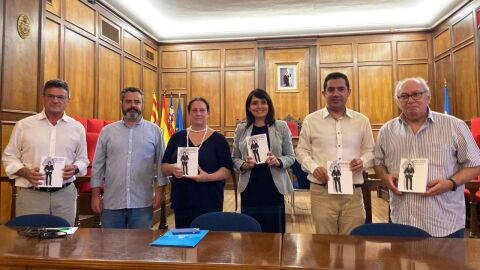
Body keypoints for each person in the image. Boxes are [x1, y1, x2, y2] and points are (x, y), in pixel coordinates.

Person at [374, 77, 480, 238]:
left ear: (428, 97)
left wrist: (451, 183)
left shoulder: (454, 125)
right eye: (404, 96)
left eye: (416, 94)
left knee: (447, 264)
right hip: (402, 220)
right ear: (397, 101)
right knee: (403, 263)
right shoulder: (387, 130)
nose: (410, 100)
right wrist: (385, 176)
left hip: (443, 222)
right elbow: (378, 162)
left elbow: (475, 164)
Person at [296, 72, 375, 235]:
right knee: (325, 244)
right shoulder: (311, 120)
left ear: (348, 92)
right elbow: (301, 151)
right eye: (331, 90)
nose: (336, 94)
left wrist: (363, 162)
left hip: (352, 193)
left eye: (341, 89)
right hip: (322, 192)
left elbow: (371, 151)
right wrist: (313, 167)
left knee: (352, 245)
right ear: (324, 93)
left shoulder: (362, 121)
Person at [2, 79, 89, 226]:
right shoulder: (24, 125)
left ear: (68, 100)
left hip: (65, 195)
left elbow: (83, 159)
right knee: (29, 243)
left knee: (63, 242)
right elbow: (9, 157)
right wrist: (26, 173)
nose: (55, 100)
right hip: (32, 195)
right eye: (50, 96)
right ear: (43, 98)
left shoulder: (77, 128)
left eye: (60, 97)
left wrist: (75, 168)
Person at [90, 87, 168, 229]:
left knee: (139, 249)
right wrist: (95, 195)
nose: (133, 105)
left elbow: (162, 164)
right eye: (128, 101)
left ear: (142, 104)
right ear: (122, 103)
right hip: (112, 202)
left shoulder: (155, 131)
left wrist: (160, 192)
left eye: (137, 102)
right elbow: (98, 165)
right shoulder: (107, 131)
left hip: (142, 203)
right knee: (111, 248)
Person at [161, 97, 233, 228]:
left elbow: (226, 170)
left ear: (208, 113)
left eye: (202, 110)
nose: (198, 113)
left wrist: (207, 177)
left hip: (210, 200)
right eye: (194, 110)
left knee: (209, 243)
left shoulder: (219, 140)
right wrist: (172, 168)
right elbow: (164, 167)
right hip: (183, 200)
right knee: (185, 242)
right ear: (189, 113)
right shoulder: (176, 137)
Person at [232, 89, 295, 233]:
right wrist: (243, 164)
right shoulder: (241, 128)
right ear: (249, 107)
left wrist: (278, 160)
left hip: (274, 188)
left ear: (269, 105)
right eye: (254, 103)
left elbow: (291, 156)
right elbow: (234, 158)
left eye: (263, 102)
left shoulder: (281, 126)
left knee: (274, 232)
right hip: (250, 188)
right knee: (250, 232)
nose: (259, 106)